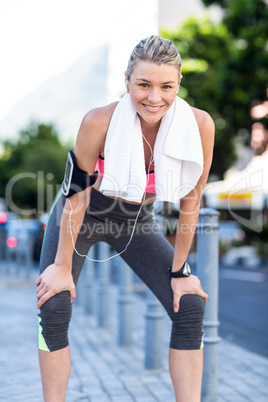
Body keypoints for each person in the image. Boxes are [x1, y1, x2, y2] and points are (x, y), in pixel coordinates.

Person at [36, 35, 214, 402]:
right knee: (53, 303)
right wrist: (62, 266)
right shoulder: (98, 122)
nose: (154, 98)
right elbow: (76, 196)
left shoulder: (199, 125)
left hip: (135, 221)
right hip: (81, 216)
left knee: (190, 305)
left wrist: (180, 273)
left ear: (179, 82)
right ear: (127, 81)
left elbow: (191, 199)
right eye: (143, 85)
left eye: (166, 86)